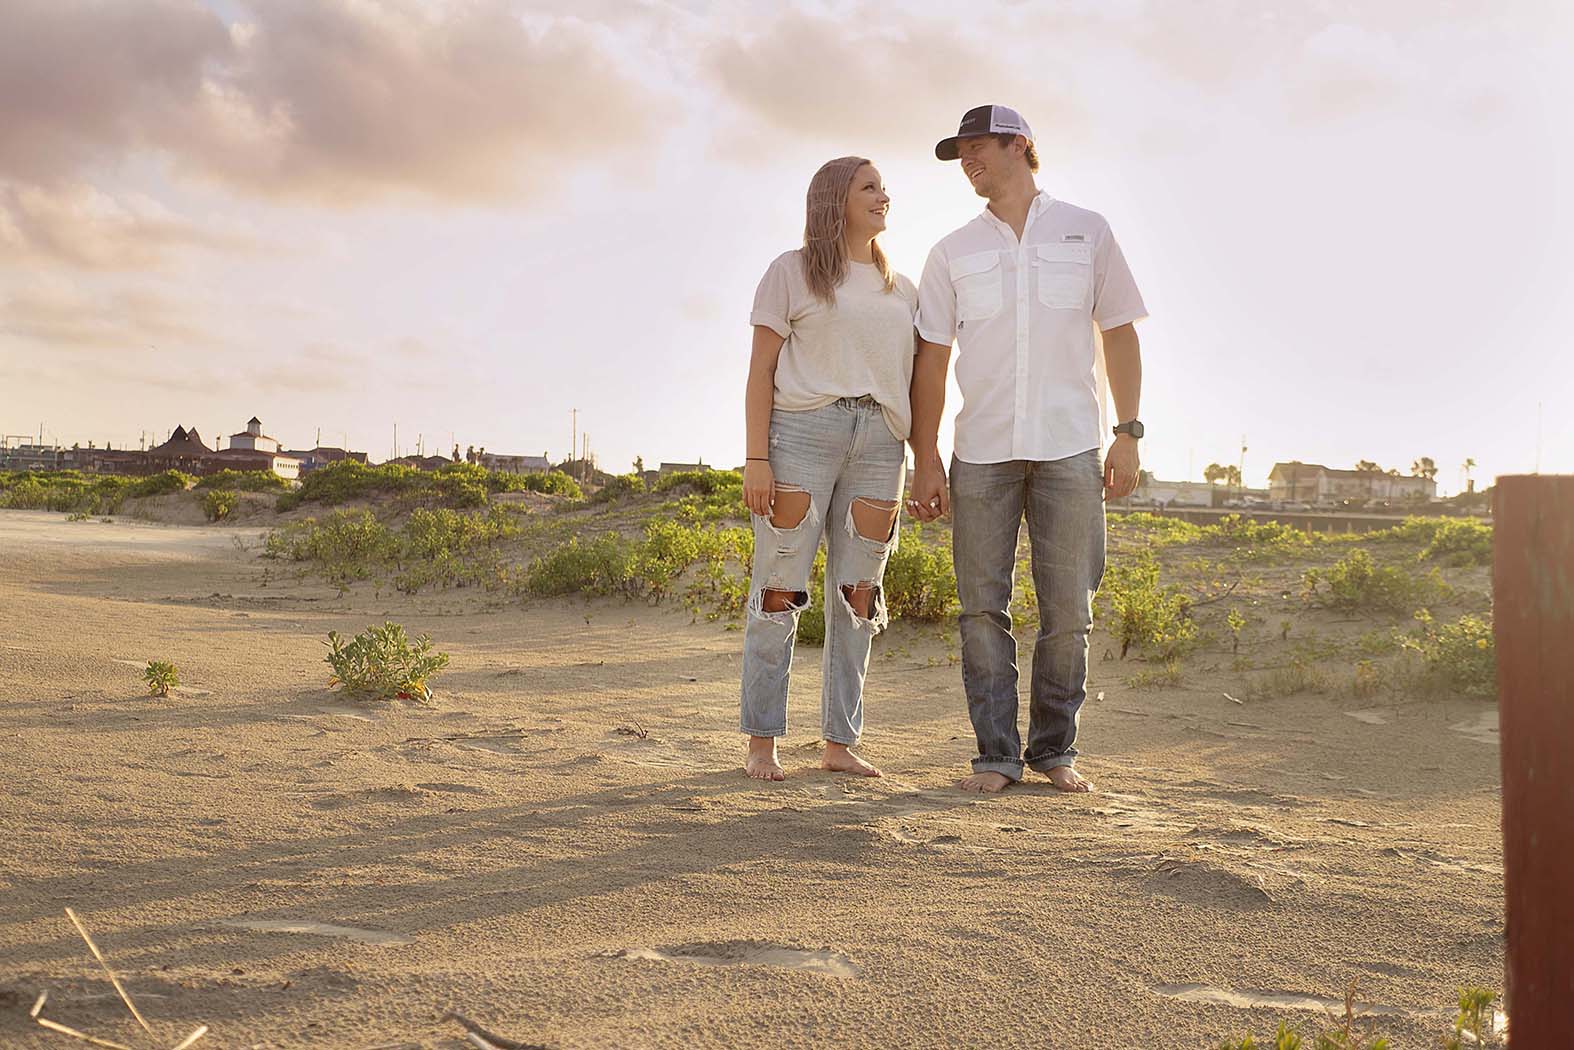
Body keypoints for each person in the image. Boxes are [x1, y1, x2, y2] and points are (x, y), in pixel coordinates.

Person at [907, 105, 1149, 794]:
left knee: (1070, 608)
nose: (968, 161)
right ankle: (995, 755)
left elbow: (1121, 331)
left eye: (978, 146)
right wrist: (925, 457)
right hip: (980, 450)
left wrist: (1127, 433)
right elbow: (930, 360)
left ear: (1021, 145)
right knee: (981, 610)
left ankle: (1053, 751)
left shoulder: (1087, 230)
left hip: (1071, 445)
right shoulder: (952, 252)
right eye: (960, 153)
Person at [738, 156, 919, 782]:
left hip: (882, 443)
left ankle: (840, 742)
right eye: (870, 187)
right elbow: (760, 371)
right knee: (779, 586)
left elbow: (917, 385)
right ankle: (763, 740)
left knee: (859, 596)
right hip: (802, 434)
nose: (884, 196)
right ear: (834, 199)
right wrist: (755, 457)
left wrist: (925, 459)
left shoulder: (904, 290)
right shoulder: (790, 272)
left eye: (883, 187)